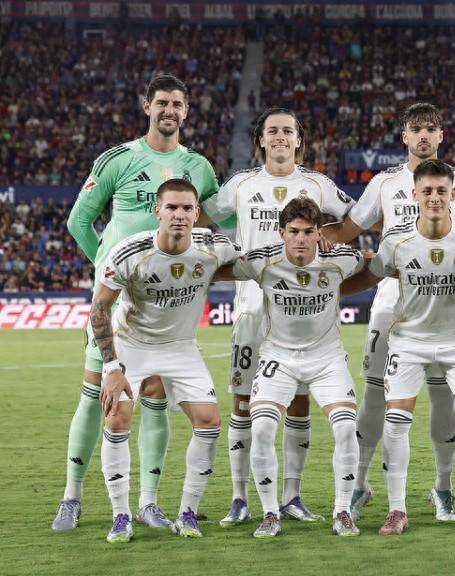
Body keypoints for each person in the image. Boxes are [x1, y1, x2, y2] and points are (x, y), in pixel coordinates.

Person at [323, 102, 455, 522]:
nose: (423, 135)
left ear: (441, 136)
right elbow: (348, 229)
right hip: (392, 300)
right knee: (376, 394)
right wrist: (313, 240)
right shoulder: (384, 183)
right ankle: (361, 484)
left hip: (446, 305)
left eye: (430, 129)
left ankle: (443, 488)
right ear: (404, 136)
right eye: (415, 129)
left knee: (442, 395)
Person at [54, 73, 220, 532]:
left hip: (164, 308)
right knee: (98, 396)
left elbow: (209, 225)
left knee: (155, 397)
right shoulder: (119, 159)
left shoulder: (200, 168)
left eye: (177, 104)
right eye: (162, 102)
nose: (169, 110)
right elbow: (79, 222)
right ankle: (72, 496)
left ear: (186, 111)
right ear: (147, 106)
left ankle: (148, 502)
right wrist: (109, 269)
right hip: (116, 303)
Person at [342, 159, 455, 535]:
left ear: (453, 194)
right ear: (414, 195)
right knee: (396, 419)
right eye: (427, 191)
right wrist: (329, 293)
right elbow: (369, 277)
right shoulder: (396, 241)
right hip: (409, 341)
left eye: (441, 191)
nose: (434, 197)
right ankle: (396, 510)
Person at [202, 107, 355, 526]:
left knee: (299, 400)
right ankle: (239, 497)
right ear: (261, 140)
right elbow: (202, 217)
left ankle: (291, 496)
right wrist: (219, 251)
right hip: (252, 308)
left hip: (302, 310)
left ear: (299, 140)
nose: (281, 137)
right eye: (273, 131)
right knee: (243, 401)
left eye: (288, 130)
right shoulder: (241, 184)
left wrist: (328, 238)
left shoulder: (318, 185)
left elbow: (355, 219)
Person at [94, 179, 240, 542]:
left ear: (196, 213)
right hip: (133, 344)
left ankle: (188, 513)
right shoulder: (129, 252)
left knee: (209, 421)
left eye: (187, 208)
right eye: (172, 207)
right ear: (157, 210)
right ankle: (120, 515)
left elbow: (254, 260)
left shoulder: (213, 246)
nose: (179, 215)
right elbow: (99, 308)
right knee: (117, 417)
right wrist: (111, 368)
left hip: (180, 346)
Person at [214, 197, 363, 538]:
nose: (301, 239)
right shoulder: (262, 261)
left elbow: (373, 265)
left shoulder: (340, 259)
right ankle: (270, 513)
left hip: (326, 358)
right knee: (262, 428)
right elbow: (217, 269)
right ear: (281, 232)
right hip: (278, 358)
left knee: (345, 428)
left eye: (308, 232)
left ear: (319, 233)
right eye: (294, 231)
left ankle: (342, 511)